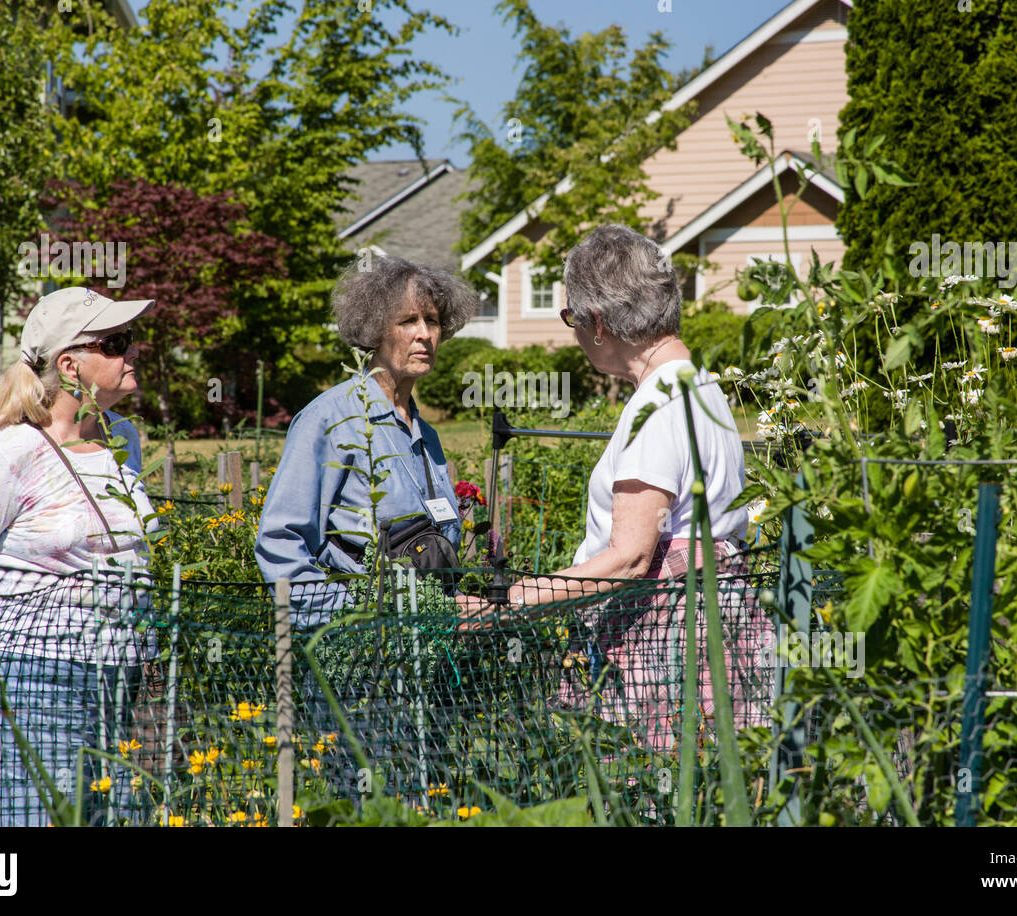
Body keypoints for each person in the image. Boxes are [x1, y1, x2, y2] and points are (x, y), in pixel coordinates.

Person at [455, 224, 773, 750]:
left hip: (663, 635)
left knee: (649, 786)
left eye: (570, 318)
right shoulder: (703, 388)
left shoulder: (655, 408)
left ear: (598, 323)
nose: (573, 331)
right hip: (711, 619)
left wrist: (506, 603)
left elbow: (629, 558)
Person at [0, 286, 157, 826]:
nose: (133, 352)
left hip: (115, 672)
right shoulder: (10, 452)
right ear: (70, 365)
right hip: (28, 674)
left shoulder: (124, 438)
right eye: (116, 342)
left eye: (131, 339)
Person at [255, 255, 479, 626]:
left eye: (433, 321)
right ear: (374, 330)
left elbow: (430, 551)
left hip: (426, 651)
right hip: (357, 654)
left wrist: (455, 603)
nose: (424, 333)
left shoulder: (427, 436)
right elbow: (281, 542)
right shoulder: (330, 421)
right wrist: (349, 617)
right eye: (408, 321)